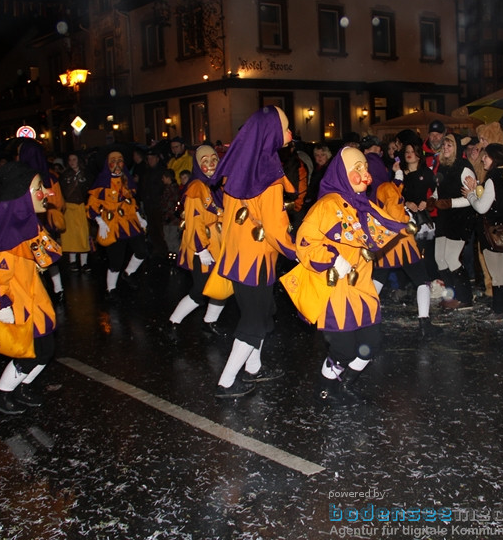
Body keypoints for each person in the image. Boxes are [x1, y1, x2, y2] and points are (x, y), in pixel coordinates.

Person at [286, 147, 409, 404]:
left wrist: (399, 195)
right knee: (343, 350)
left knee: (371, 344)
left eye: (365, 168)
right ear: (343, 172)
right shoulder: (327, 205)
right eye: (358, 169)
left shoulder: (365, 205)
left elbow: (389, 226)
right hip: (337, 293)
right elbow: (305, 241)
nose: (365, 175)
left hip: (362, 290)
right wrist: (332, 258)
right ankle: (324, 387)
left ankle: (345, 383)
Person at [210, 106, 297, 398]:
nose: (289, 133)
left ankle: (253, 368)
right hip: (256, 261)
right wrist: (294, 250)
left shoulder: (240, 166)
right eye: (285, 127)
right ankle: (226, 381)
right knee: (254, 321)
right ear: (272, 132)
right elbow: (273, 226)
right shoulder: (268, 172)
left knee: (262, 312)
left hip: (237, 257)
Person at [0, 162, 61, 414]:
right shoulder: (7, 239)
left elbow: (47, 253)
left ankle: (22, 387)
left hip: (35, 301)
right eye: (38, 188)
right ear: (22, 197)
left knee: (46, 351)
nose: (46, 193)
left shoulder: (30, 227)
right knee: (29, 354)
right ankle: (0, 395)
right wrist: (2, 305)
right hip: (19, 306)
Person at [366, 152, 441, 337]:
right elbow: (395, 212)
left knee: (378, 279)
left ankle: (365, 320)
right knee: (421, 279)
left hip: (383, 244)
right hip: (401, 243)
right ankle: (424, 321)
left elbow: (392, 193)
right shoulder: (386, 188)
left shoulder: (370, 190)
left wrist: (397, 177)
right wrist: (407, 216)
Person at [164, 145, 228, 341]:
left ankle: (209, 322)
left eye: (213, 160)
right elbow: (194, 222)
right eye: (205, 161)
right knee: (200, 290)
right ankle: (172, 323)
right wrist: (202, 250)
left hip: (220, 244)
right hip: (202, 246)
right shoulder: (195, 188)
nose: (210, 165)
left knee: (222, 286)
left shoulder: (221, 183)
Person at [462, 143, 503, 316]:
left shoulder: (493, 179)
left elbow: (481, 207)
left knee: (496, 275)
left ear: (494, 159)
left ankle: (498, 309)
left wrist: (470, 195)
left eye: (486, 156)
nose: (483, 159)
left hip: (491, 233)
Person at [87, 148, 148, 299]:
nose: (117, 164)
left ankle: (128, 273)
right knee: (116, 260)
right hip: (112, 225)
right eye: (113, 161)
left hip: (130, 222)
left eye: (119, 161)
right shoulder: (101, 183)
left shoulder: (127, 180)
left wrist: (139, 217)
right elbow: (92, 206)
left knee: (142, 251)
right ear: (108, 164)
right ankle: (111, 289)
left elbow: (131, 201)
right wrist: (100, 222)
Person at [429, 134, 476, 309]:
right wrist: (433, 200)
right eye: (444, 146)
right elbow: (438, 190)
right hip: (444, 218)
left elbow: (472, 197)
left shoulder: (464, 168)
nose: (446, 148)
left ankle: (465, 298)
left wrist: (450, 203)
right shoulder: (442, 166)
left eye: (450, 145)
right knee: (439, 258)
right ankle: (450, 296)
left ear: (457, 148)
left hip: (460, 218)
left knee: (451, 258)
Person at [17, 138, 66, 302]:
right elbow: (59, 203)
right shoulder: (51, 177)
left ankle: (37, 294)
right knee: (50, 255)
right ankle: (58, 289)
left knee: (31, 258)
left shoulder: (20, 179)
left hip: (27, 225)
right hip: (47, 224)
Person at [398, 139, 438, 281]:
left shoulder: (426, 172)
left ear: (419, 155)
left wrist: (427, 202)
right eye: (407, 152)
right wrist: (406, 203)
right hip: (404, 217)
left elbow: (437, 191)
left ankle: (432, 282)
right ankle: (413, 284)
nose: (409, 154)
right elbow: (393, 195)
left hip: (422, 218)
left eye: (412, 152)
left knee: (427, 253)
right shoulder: (400, 174)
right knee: (408, 253)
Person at [59, 152, 93, 273]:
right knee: (71, 235)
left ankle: (84, 263)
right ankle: (72, 261)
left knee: (83, 235)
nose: (72, 162)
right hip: (69, 207)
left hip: (82, 207)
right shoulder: (64, 175)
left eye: (74, 159)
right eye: (70, 160)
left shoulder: (86, 174)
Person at [160, 168, 181, 262]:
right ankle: (172, 255)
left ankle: (179, 256)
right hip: (166, 218)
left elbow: (172, 204)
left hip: (173, 219)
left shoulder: (174, 189)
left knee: (173, 238)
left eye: (163, 177)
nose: (162, 180)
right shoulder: (167, 189)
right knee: (167, 237)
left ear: (168, 178)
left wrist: (170, 215)